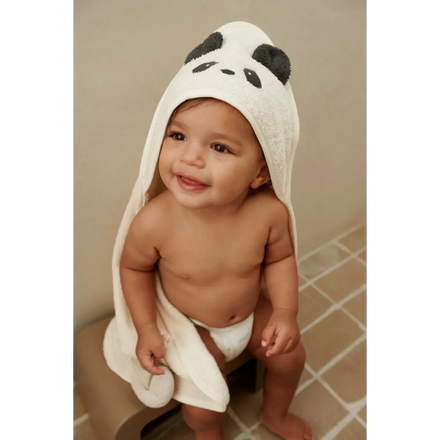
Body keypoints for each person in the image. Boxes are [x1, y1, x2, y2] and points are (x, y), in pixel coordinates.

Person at [119, 96, 313, 440]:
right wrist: (146, 327)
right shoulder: (155, 222)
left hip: (251, 314)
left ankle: (275, 414)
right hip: (193, 327)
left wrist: (285, 311)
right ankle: (208, 433)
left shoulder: (268, 213)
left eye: (220, 147)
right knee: (204, 408)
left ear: (260, 173)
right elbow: (134, 269)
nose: (190, 157)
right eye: (178, 136)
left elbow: (279, 259)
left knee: (292, 360)